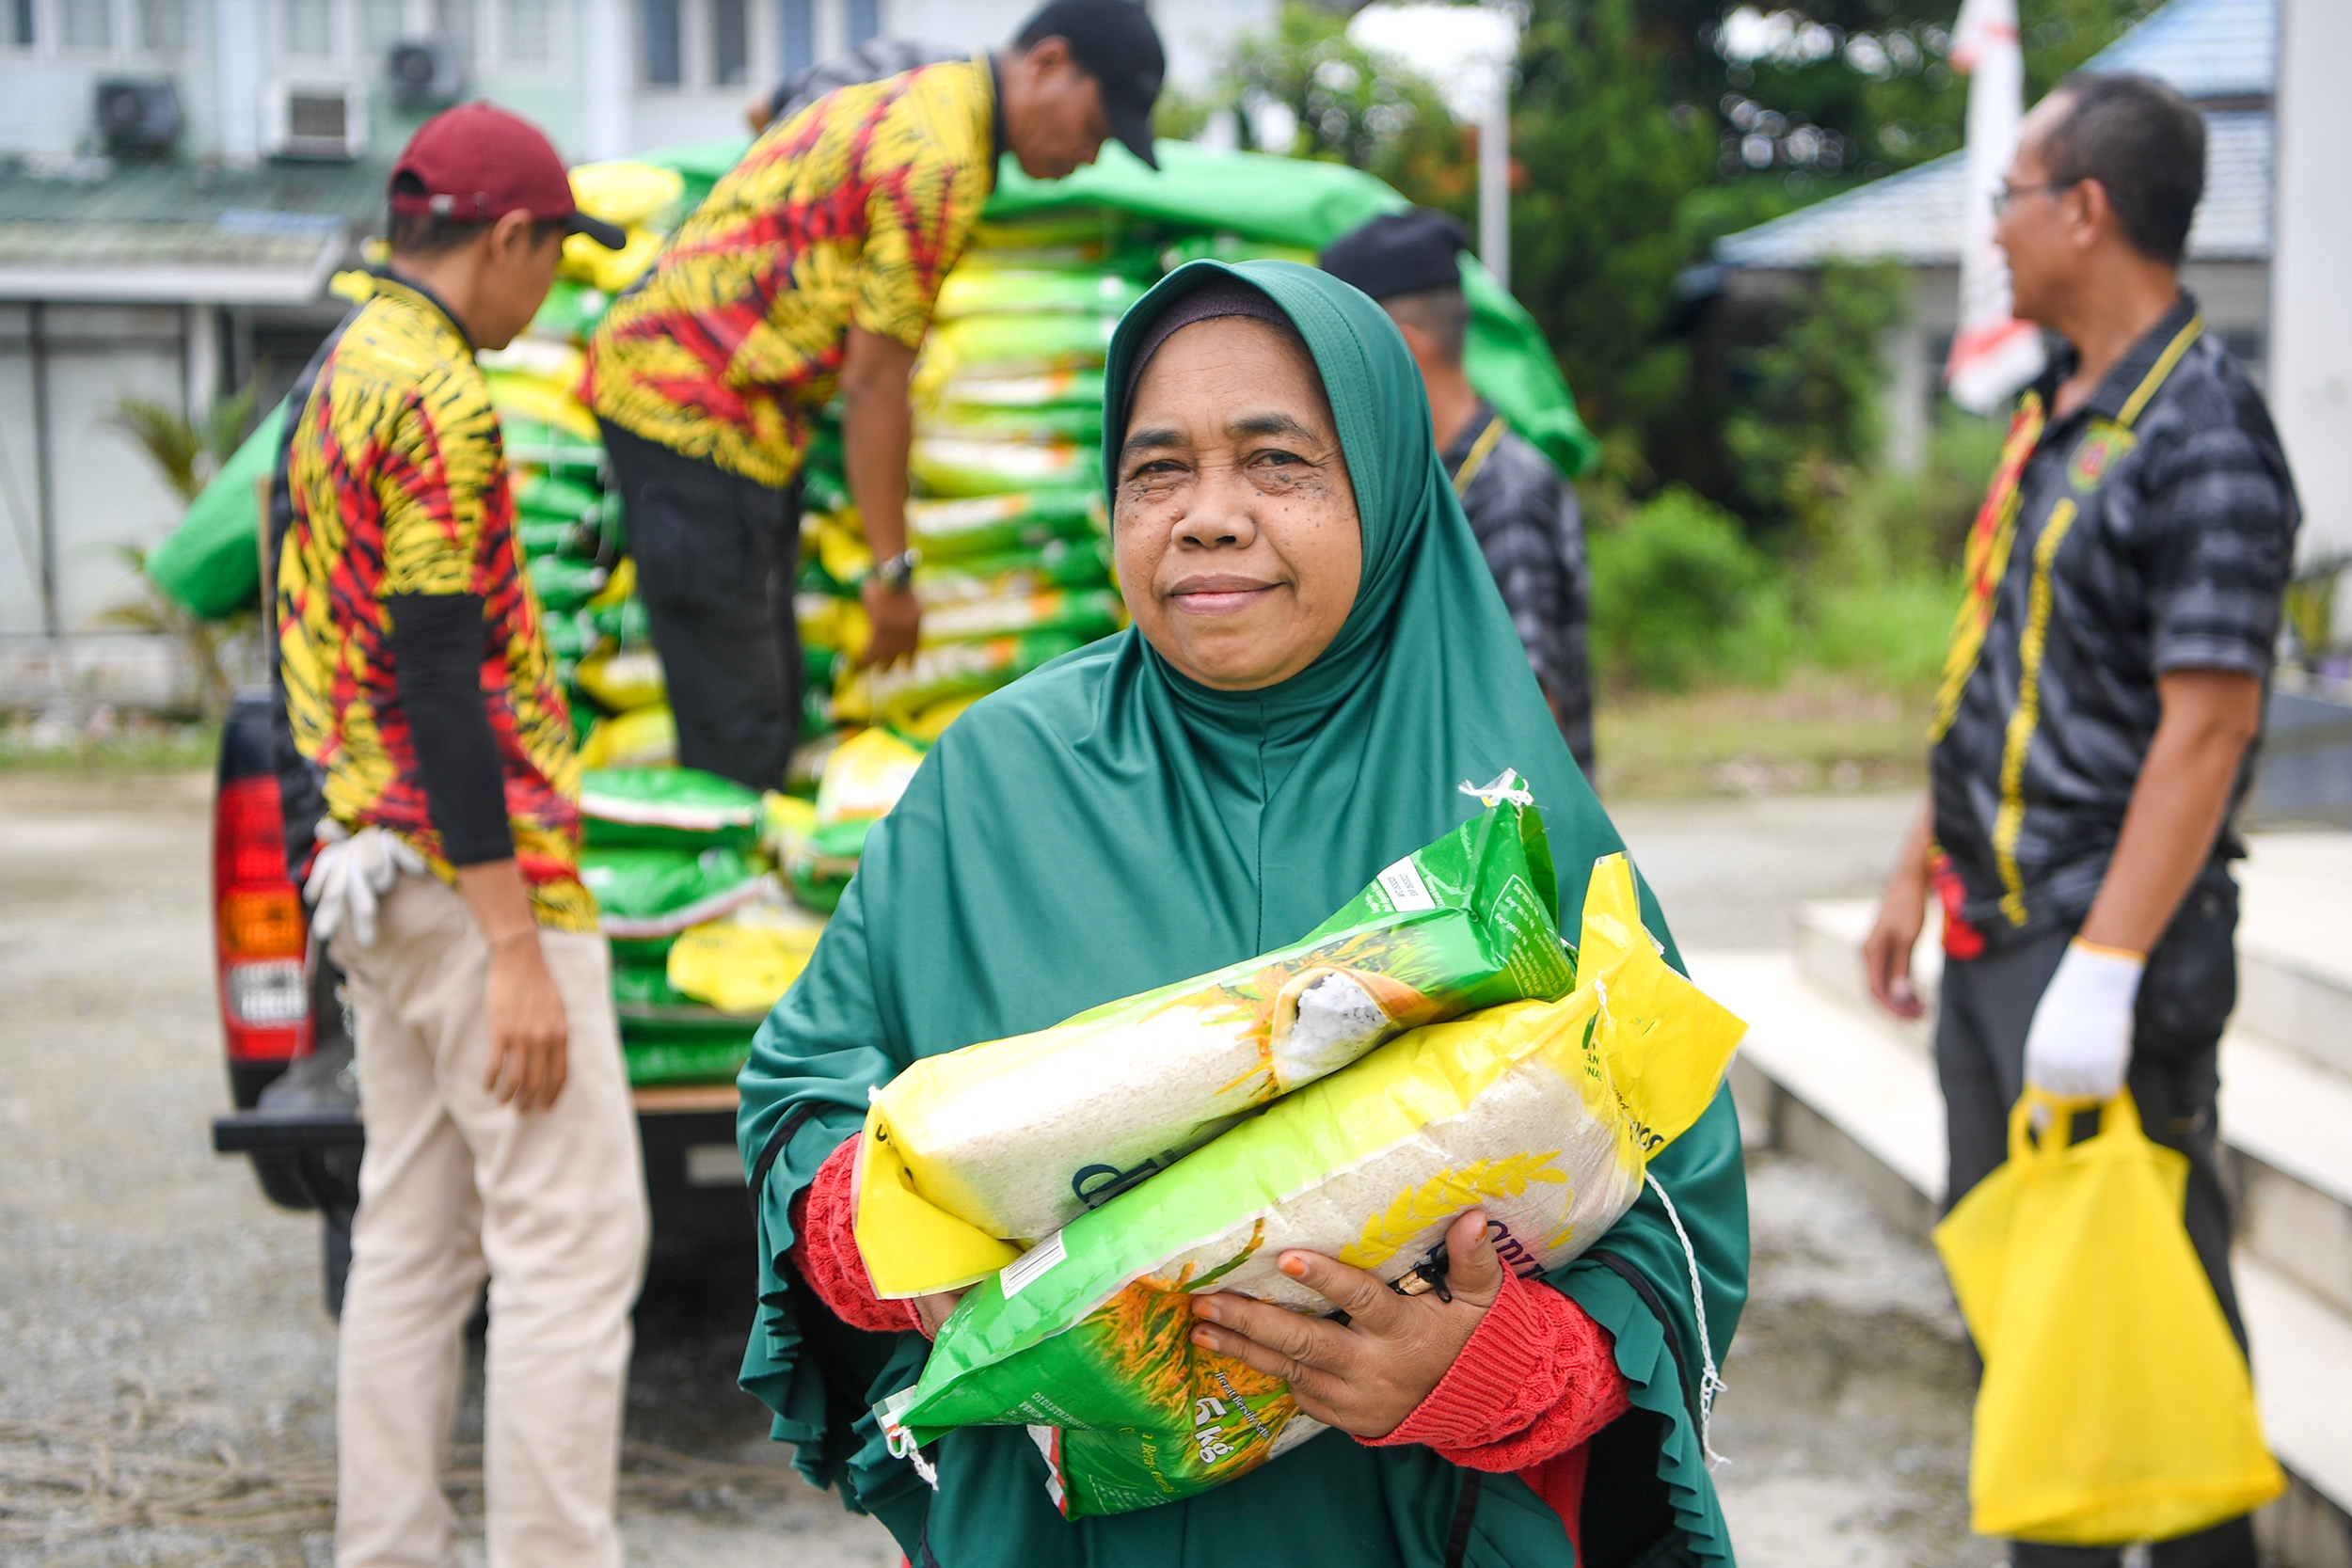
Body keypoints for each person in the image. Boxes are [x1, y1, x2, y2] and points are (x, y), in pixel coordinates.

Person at [733, 260, 1746, 1566]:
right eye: (1158, 470)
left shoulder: (1504, 809)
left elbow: (1682, 1216)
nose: (1208, 517)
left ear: (1382, 485)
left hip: (1397, 1523)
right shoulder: (993, 784)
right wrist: (886, 1233)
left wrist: (1476, 1367)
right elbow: (802, 1091)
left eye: (1277, 461)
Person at [1860, 72, 2296, 1568]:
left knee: (2157, 1321)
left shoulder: (2208, 431)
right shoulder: (2064, 412)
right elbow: (1997, 657)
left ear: (2085, 211)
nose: (1996, 233)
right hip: (1998, 936)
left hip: (2101, 944)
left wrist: (2107, 968)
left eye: (2011, 198)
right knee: (2027, 1320)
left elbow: (2214, 720)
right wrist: (1914, 865)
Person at [270, 104, 651, 1568]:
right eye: (553, 254)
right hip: (469, 877)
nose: (551, 286)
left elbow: (306, 623)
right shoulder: (436, 394)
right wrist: (515, 942)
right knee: (570, 1246)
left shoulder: (337, 368)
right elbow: (436, 667)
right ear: (505, 239)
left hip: (369, 865)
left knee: (415, 1246)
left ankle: (391, 1548)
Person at [580, 0, 1167, 792]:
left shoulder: (931, 95)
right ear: (1049, 62)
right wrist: (893, 574)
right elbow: (875, 382)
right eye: (1096, 125)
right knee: (739, 722)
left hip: (726, 405)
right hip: (686, 405)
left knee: (764, 689)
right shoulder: (940, 159)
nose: (1091, 155)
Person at [1319, 209, 1596, 772]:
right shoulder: (1437, 478)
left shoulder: (1506, 492)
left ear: (1398, 348)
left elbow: (1529, 715)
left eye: (1342, 357)